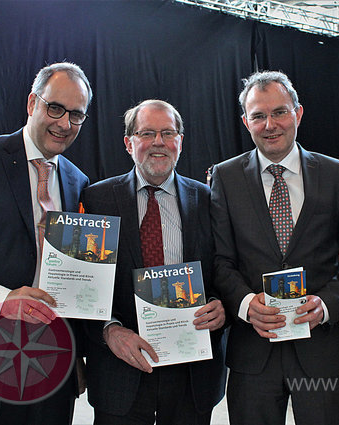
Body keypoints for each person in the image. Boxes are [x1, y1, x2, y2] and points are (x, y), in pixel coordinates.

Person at [210, 70, 339, 425]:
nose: (270, 124)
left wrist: (327, 305)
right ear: (246, 121)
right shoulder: (224, 177)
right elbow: (221, 262)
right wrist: (245, 304)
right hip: (252, 353)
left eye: (280, 112)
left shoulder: (338, 175)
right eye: (258, 115)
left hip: (322, 350)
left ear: (298, 114)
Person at [0, 62, 92, 424]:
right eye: (55, 108)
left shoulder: (77, 181)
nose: (63, 124)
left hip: (53, 367)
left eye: (76, 115)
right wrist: (1, 299)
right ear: (32, 103)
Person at [81, 99, 227, 425]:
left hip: (192, 370)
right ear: (128, 142)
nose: (158, 142)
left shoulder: (210, 200)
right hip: (121, 368)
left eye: (167, 133)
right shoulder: (95, 199)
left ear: (180, 141)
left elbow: (226, 270)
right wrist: (108, 331)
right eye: (147, 133)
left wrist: (222, 305)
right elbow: (83, 288)